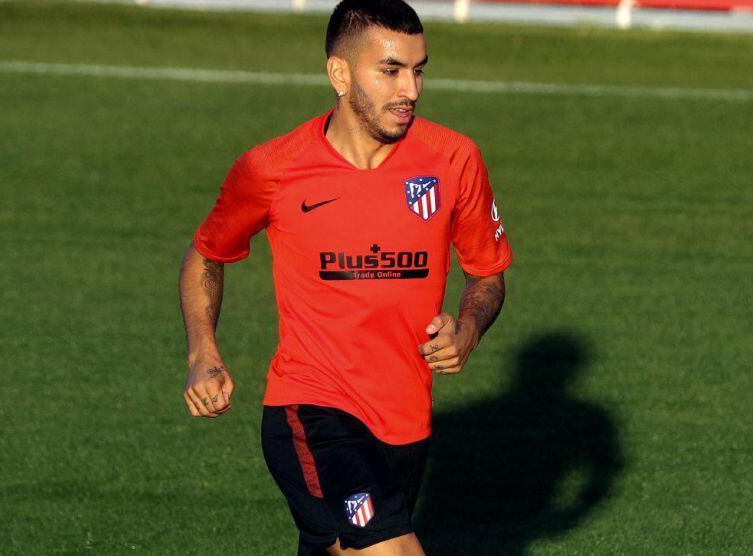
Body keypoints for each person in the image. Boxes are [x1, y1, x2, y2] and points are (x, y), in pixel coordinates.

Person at [177, 1, 512, 554]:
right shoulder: (274, 167)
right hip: (312, 409)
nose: (411, 89)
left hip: (406, 423)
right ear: (338, 73)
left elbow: (488, 274)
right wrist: (202, 353)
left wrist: (470, 328)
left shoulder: (454, 159)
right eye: (390, 70)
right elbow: (206, 253)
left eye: (418, 69)